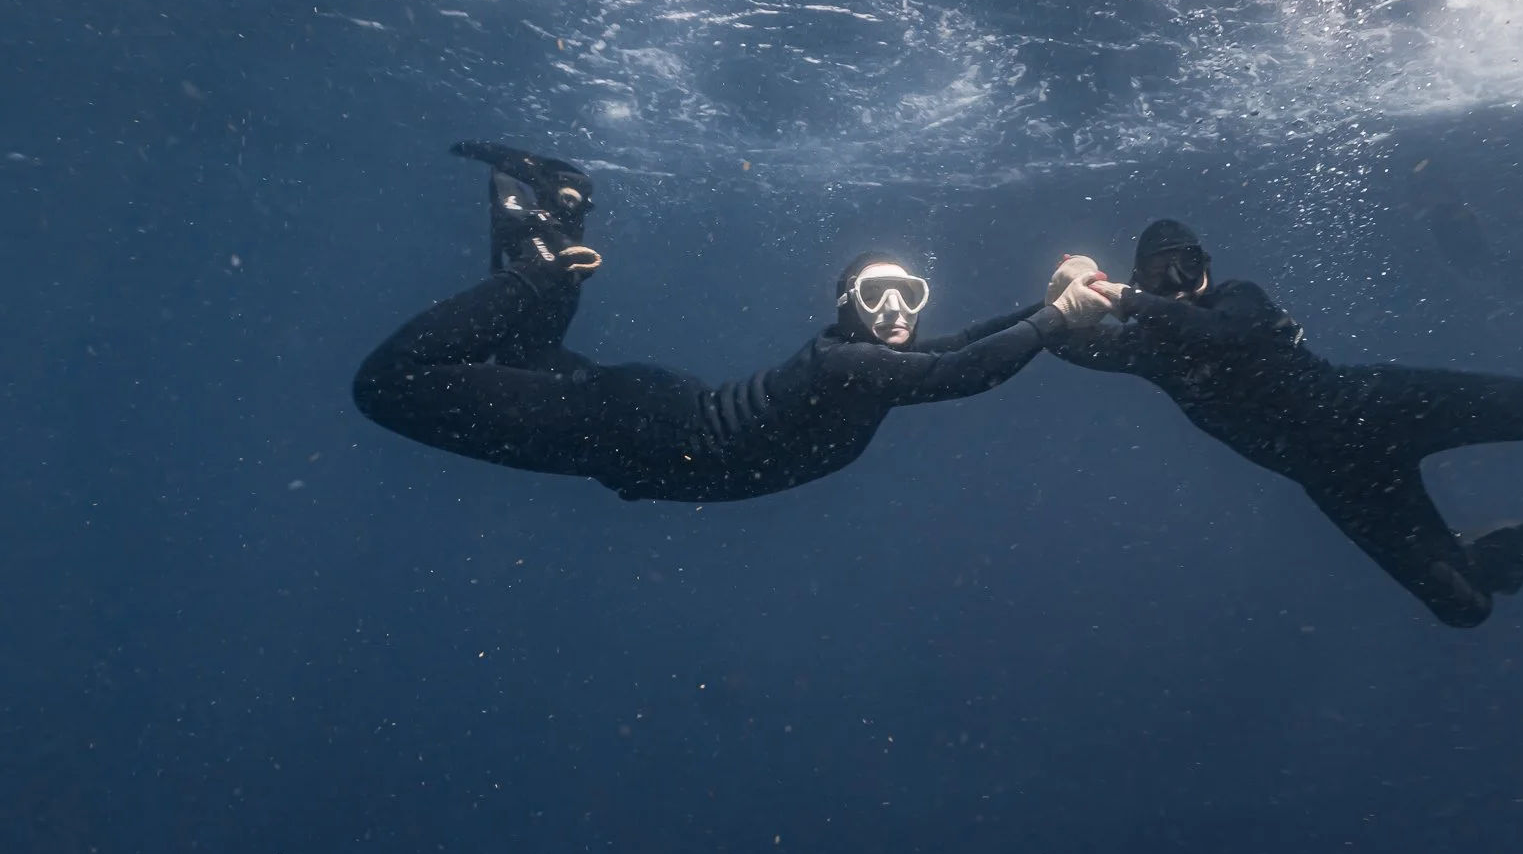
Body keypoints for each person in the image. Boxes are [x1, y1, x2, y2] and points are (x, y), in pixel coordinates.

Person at [1046, 219, 1523, 628]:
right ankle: (1461, 548)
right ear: (1145, 278)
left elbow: (1221, 337)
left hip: (1377, 405)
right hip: (1339, 481)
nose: (1181, 283)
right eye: (1163, 273)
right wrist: (1061, 299)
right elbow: (1063, 344)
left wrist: (1116, 295)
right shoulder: (1148, 350)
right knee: (1463, 609)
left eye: (1190, 266)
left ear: (1208, 267)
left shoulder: (1240, 299)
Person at [352, 143, 1117, 503]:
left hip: (643, 428)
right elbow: (961, 372)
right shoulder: (842, 364)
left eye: (909, 294)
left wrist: (1045, 301)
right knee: (386, 386)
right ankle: (540, 264)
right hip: (632, 428)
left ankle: (560, 210)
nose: (896, 311)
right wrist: (1060, 317)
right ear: (845, 307)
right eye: (878, 295)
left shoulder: (871, 372)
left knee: (519, 351)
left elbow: (956, 348)